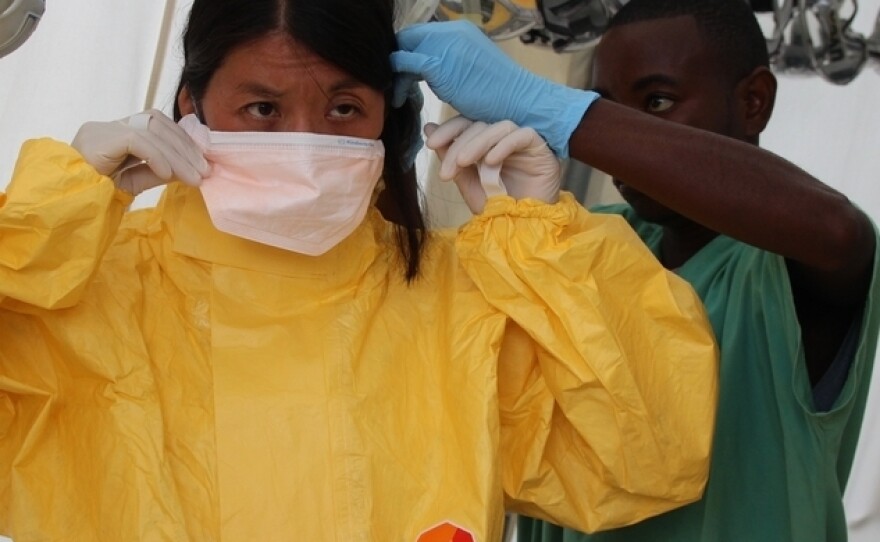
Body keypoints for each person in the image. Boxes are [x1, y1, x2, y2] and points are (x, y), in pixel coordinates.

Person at [0, 1, 721, 540]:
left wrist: (548, 241)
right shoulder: (84, 292)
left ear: (389, 117)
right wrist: (45, 221)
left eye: (344, 107)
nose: (306, 141)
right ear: (192, 106)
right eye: (262, 107)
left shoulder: (459, 297)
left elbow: (646, 457)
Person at [390, 0, 880, 540]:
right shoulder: (579, 243)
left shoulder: (781, 273)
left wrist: (557, 111)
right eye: (605, 105)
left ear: (754, 102)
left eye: (658, 101)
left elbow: (838, 232)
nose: (615, 140)